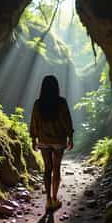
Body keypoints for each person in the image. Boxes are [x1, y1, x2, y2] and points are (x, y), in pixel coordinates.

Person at [30, 75, 74, 211]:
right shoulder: (61, 102)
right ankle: (55, 198)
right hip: (59, 141)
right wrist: (70, 137)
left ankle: (48, 200)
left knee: (47, 169)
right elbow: (67, 120)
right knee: (56, 169)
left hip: (43, 141)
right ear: (56, 87)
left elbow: (34, 122)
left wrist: (33, 138)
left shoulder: (38, 103)